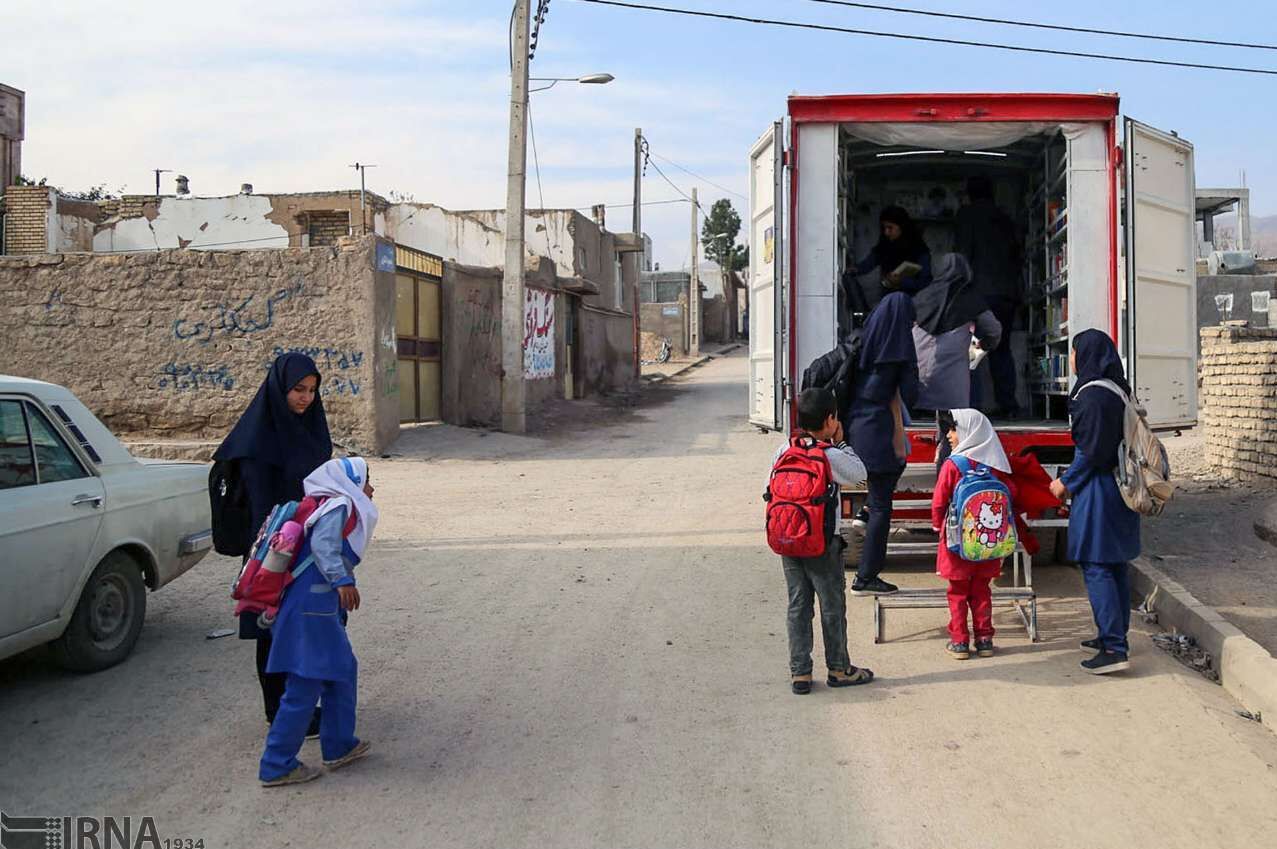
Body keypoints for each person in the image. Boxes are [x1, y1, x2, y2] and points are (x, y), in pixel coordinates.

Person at [214, 353, 333, 730]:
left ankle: (298, 707)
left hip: (307, 548)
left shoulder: (310, 429)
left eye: (312, 390)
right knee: (272, 632)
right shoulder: (259, 442)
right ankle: (277, 711)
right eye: (298, 389)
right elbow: (264, 510)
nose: (306, 398)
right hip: (272, 553)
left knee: (303, 629)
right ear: (280, 388)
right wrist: (278, 558)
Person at [260, 457, 378, 786]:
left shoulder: (324, 503)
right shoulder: (339, 504)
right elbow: (324, 547)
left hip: (312, 602)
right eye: (367, 480)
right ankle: (276, 764)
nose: (371, 488)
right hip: (314, 604)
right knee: (305, 682)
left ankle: (339, 745)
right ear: (349, 482)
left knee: (340, 669)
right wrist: (342, 581)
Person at [1049, 330, 1142, 675]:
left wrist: (1065, 483)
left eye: (1073, 352)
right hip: (1121, 488)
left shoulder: (1092, 397)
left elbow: (1091, 453)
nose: (1071, 359)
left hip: (1099, 490)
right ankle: (1113, 635)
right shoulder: (1118, 389)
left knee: (1096, 564)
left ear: (1085, 355)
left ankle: (1114, 648)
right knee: (1114, 563)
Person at [771, 388, 874, 695]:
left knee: (797, 605)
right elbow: (860, 474)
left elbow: (769, 487)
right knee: (831, 605)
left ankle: (800, 673)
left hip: (788, 540)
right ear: (830, 420)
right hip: (821, 543)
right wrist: (840, 440)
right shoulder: (830, 455)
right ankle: (839, 669)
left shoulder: (783, 451)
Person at [848, 292, 919, 596]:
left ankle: (862, 515)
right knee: (882, 505)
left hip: (856, 427)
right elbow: (913, 395)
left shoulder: (864, 342)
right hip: (878, 432)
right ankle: (866, 577)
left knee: (877, 496)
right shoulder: (899, 352)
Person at [931, 410, 1016, 660]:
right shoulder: (994, 464)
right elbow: (1011, 493)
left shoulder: (953, 465)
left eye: (954, 429)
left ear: (968, 432)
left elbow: (939, 501)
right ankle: (985, 639)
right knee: (982, 591)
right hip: (988, 544)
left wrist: (938, 526)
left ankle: (959, 642)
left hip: (957, 541)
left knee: (957, 592)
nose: (949, 435)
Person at [955, 176, 1023, 416]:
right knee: (1002, 349)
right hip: (1006, 294)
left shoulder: (967, 216)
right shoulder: (1005, 219)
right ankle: (1009, 405)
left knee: (973, 350)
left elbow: (963, 257)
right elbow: (1018, 255)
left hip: (979, 295)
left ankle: (974, 408)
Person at [912, 253, 1003, 414]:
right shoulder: (970, 297)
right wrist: (986, 344)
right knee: (973, 361)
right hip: (952, 398)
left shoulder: (921, 296)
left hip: (917, 393)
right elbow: (994, 329)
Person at [844, 206, 934, 316]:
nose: (886, 232)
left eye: (890, 228)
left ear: (902, 227)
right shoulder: (884, 246)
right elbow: (867, 264)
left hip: (913, 307)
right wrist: (854, 269)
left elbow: (926, 283)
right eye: (884, 228)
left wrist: (902, 282)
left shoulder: (920, 251)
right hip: (888, 304)